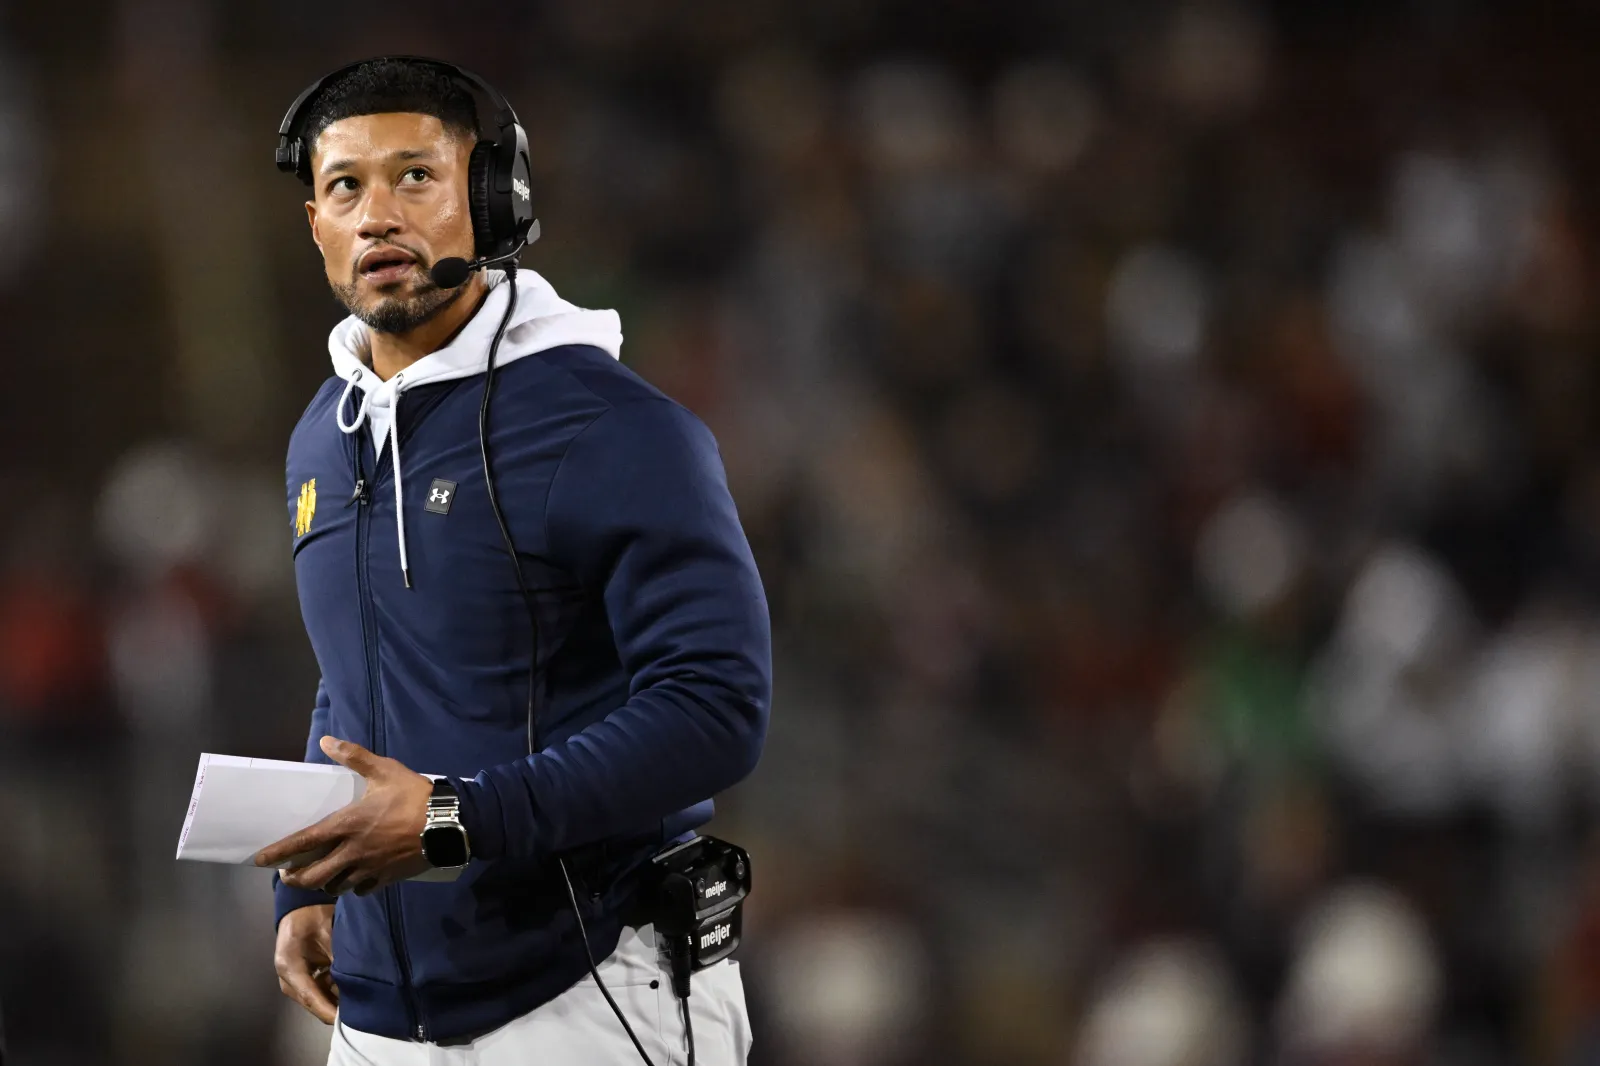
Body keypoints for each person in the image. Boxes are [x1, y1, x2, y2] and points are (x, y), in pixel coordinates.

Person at [253, 57, 771, 1065]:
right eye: (346, 186)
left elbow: (717, 706)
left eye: (415, 177)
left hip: (594, 989)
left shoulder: (614, 427)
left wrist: (455, 819)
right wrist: (309, 888)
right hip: (377, 1018)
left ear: (493, 200)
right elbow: (362, 668)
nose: (377, 215)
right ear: (314, 221)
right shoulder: (324, 431)